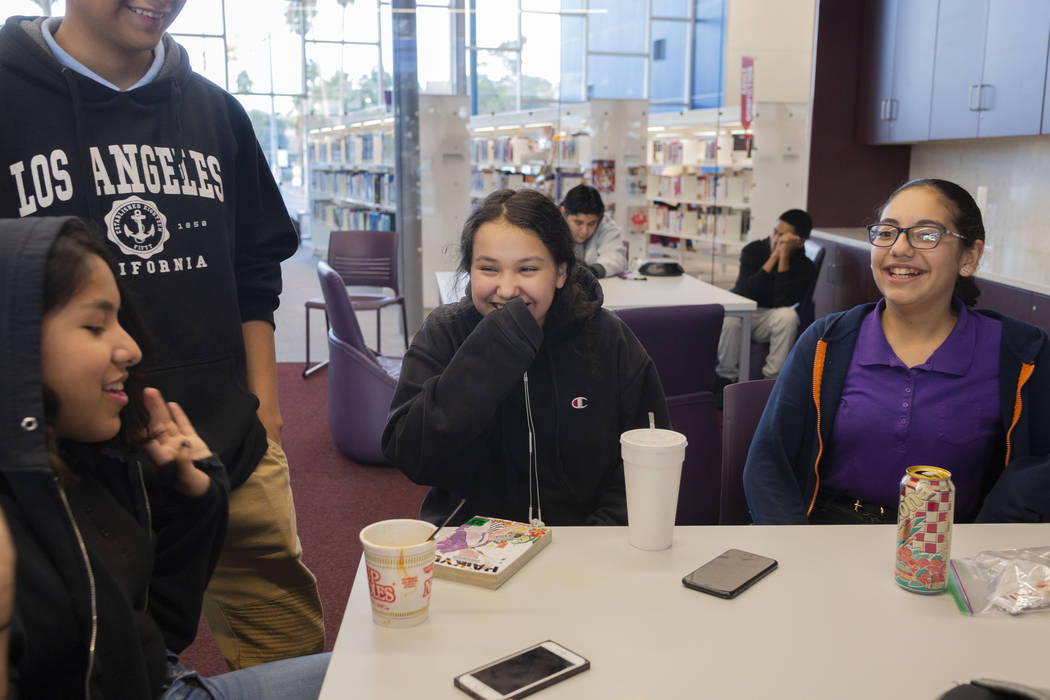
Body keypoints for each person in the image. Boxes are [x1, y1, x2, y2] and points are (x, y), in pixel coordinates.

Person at [0, 6, 323, 667]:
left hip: (227, 440)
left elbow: (255, 267)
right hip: (64, 466)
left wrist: (265, 407)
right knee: (95, 659)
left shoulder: (217, 114)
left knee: (289, 650)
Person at [0, 217, 330, 698]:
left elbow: (159, 631)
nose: (132, 348)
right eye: (95, 325)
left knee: (384, 671)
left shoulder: (90, 469)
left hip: (160, 680)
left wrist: (197, 500)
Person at [743, 179, 1050, 525]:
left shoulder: (1019, 352)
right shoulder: (827, 342)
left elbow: (1037, 470)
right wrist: (794, 548)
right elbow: (769, 461)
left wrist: (985, 550)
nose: (900, 248)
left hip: (951, 546)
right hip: (828, 538)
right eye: (887, 232)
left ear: (970, 256)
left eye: (926, 234)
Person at [382, 188, 669, 526]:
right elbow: (411, 455)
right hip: (472, 546)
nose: (506, 289)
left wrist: (595, 543)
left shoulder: (608, 338)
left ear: (561, 272)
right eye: (488, 269)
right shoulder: (446, 333)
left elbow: (648, 456)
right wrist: (491, 350)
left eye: (528, 269)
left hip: (586, 548)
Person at [714, 209, 816, 387]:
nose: (775, 239)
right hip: (746, 312)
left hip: (770, 319)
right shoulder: (753, 250)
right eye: (775, 232)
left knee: (788, 316)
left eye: (782, 236)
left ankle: (770, 383)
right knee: (730, 318)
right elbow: (745, 292)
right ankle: (725, 378)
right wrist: (773, 257)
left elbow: (782, 302)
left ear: (799, 242)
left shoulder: (805, 266)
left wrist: (783, 257)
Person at [559, 184, 627, 278]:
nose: (584, 231)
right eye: (578, 223)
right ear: (563, 212)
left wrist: (593, 271)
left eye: (591, 224)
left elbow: (616, 258)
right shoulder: (550, 225)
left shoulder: (605, 226)